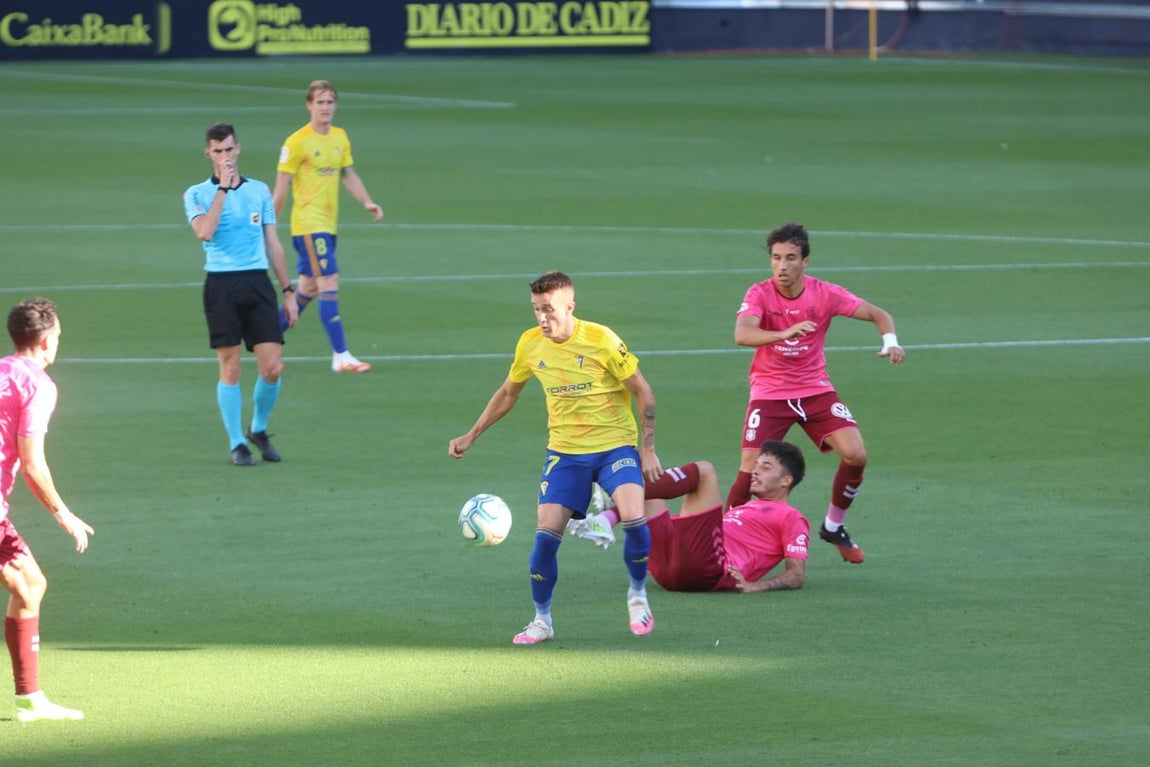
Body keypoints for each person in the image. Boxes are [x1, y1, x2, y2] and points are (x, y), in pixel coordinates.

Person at [449, 271, 664, 644]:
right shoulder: (530, 345)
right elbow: (507, 394)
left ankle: (637, 595)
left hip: (615, 446)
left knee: (633, 516)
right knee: (546, 537)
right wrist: (472, 434)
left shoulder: (602, 340)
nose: (542, 318)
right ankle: (542, 621)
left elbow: (644, 392)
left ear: (570, 307)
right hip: (565, 453)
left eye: (548, 309)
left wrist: (647, 449)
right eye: (536, 310)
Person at [726, 221, 905, 564]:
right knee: (749, 468)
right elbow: (742, 334)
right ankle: (720, 541)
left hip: (814, 390)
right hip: (770, 392)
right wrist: (784, 333)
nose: (782, 266)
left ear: (805, 261)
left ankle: (833, 526)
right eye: (776, 258)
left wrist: (891, 342)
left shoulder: (825, 293)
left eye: (790, 258)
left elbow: (878, 314)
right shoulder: (759, 293)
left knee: (856, 455)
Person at [184, 122, 299, 467]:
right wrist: (222, 189)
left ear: (238, 149)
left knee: (273, 368)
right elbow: (205, 232)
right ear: (209, 154)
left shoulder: (260, 191)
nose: (225, 156)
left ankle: (258, 428)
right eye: (217, 151)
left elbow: (273, 243)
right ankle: (237, 442)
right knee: (230, 367)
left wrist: (289, 290)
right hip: (220, 284)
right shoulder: (196, 194)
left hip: (257, 283)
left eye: (229, 149)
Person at [2, 298, 95, 721]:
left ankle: (29, 698)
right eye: (57, 335)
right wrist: (64, 514)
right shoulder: (38, 384)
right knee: (30, 584)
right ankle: (30, 698)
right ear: (44, 341)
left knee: (28, 586)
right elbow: (33, 460)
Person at [568, 442, 809, 593]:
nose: (755, 471)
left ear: (787, 480)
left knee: (704, 471)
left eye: (765, 468)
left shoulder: (792, 517)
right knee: (645, 476)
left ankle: (615, 498)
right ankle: (606, 519)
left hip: (707, 571)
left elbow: (797, 574)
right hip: (671, 569)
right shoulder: (743, 508)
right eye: (756, 465)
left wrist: (757, 586)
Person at [273, 79, 383, 374]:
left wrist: (367, 202)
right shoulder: (296, 142)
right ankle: (341, 355)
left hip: (328, 225)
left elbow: (348, 173)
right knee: (329, 282)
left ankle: (264, 336)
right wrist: (271, 223)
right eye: (320, 102)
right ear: (309, 105)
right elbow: (281, 187)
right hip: (309, 225)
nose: (326, 107)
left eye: (330, 102)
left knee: (307, 287)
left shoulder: (340, 137)